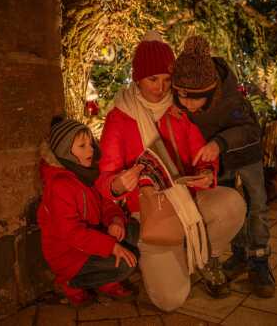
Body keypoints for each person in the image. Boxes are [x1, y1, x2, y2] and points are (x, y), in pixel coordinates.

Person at [97, 31, 246, 311]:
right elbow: (105, 181)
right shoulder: (119, 117)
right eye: (153, 79)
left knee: (232, 203)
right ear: (137, 77)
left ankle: (198, 255)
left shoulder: (179, 110)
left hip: (187, 199)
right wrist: (118, 184)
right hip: (151, 213)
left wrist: (205, 171)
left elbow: (200, 155)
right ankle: (171, 253)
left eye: (166, 80)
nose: (160, 87)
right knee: (170, 300)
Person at [171, 35, 275, 299]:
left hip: (244, 154)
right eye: (182, 98)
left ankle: (260, 261)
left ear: (211, 90)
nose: (188, 105)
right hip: (219, 160)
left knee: (256, 203)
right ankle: (240, 254)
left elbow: (251, 131)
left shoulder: (230, 98)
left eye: (195, 100)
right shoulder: (182, 95)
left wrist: (220, 142)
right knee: (232, 205)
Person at [37, 117, 138, 307]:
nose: (91, 150)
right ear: (65, 151)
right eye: (82, 146)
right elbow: (72, 234)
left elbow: (105, 203)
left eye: (90, 144)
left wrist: (115, 220)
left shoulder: (86, 173)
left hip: (92, 241)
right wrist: (111, 247)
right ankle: (70, 283)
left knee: (132, 232)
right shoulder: (60, 186)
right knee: (126, 265)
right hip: (70, 255)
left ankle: (105, 281)